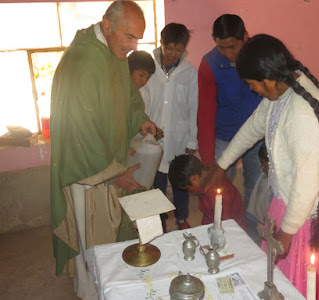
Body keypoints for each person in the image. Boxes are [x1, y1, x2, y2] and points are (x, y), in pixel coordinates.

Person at [210, 34, 319, 299]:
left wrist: (288, 231)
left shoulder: (301, 114)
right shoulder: (281, 91)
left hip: (311, 210)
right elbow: (252, 128)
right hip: (291, 200)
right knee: (282, 281)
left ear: (268, 79)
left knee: (303, 285)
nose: (252, 90)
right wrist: (221, 164)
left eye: (252, 84)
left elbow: (306, 183)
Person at [50, 1, 156, 299]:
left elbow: (128, 95)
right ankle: (89, 287)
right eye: (130, 36)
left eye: (138, 37)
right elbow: (79, 129)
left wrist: (141, 118)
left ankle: (107, 280)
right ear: (107, 27)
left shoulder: (115, 52)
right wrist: (112, 174)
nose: (134, 46)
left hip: (111, 161)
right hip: (87, 170)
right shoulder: (81, 61)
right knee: (91, 236)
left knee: (110, 233)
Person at [197, 14, 263, 233]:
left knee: (257, 192)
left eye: (232, 46)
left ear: (245, 37)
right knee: (218, 193)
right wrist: (208, 160)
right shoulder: (210, 65)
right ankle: (221, 236)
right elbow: (205, 114)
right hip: (225, 137)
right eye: (221, 47)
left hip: (258, 137)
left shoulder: (260, 56)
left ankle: (253, 238)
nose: (228, 53)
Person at [140, 23, 198, 230]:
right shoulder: (150, 68)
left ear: (184, 48)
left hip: (179, 138)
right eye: (169, 47)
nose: (173, 53)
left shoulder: (189, 73)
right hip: (154, 137)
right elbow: (143, 99)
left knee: (180, 181)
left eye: (178, 49)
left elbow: (194, 106)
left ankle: (181, 217)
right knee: (158, 182)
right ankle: (161, 221)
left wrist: (192, 139)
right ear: (161, 44)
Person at [168, 154, 246, 231]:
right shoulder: (207, 175)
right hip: (213, 224)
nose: (189, 192)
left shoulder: (213, 192)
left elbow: (225, 223)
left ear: (194, 179)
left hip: (231, 230)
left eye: (188, 189)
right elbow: (208, 215)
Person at [246, 143, 273, 244]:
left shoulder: (277, 189)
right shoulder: (263, 177)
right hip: (254, 218)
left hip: (267, 224)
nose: (261, 167)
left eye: (264, 164)